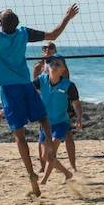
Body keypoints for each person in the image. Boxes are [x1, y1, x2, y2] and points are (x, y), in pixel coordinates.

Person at [0, 0, 79, 196]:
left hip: (9, 91)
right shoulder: (23, 34)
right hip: (26, 86)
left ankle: (32, 176)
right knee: (44, 119)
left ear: (0, 24)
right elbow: (54, 34)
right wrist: (67, 18)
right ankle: (51, 150)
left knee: (19, 137)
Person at [34, 43, 83, 171]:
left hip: (63, 102)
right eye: (44, 48)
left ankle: (73, 166)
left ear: (55, 50)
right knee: (42, 137)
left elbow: (65, 84)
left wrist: (78, 117)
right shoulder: (39, 67)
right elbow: (34, 87)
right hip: (46, 105)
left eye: (50, 47)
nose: (46, 50)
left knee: (68, 137)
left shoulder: (60, 64)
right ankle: (43, 166)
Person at [32, 55, 76, 184]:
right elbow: (27, 91)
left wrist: (79, 118)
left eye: (58, 64)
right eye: (51, 64)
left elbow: (76, 103)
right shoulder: (41, 80)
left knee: (50, 154)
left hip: (61, 122)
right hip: (45, 123)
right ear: (47, 67)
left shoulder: (68, 85)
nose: (54, 66)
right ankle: (67, 173)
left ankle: (44, 180)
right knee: (45, 156)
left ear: (63, 69)